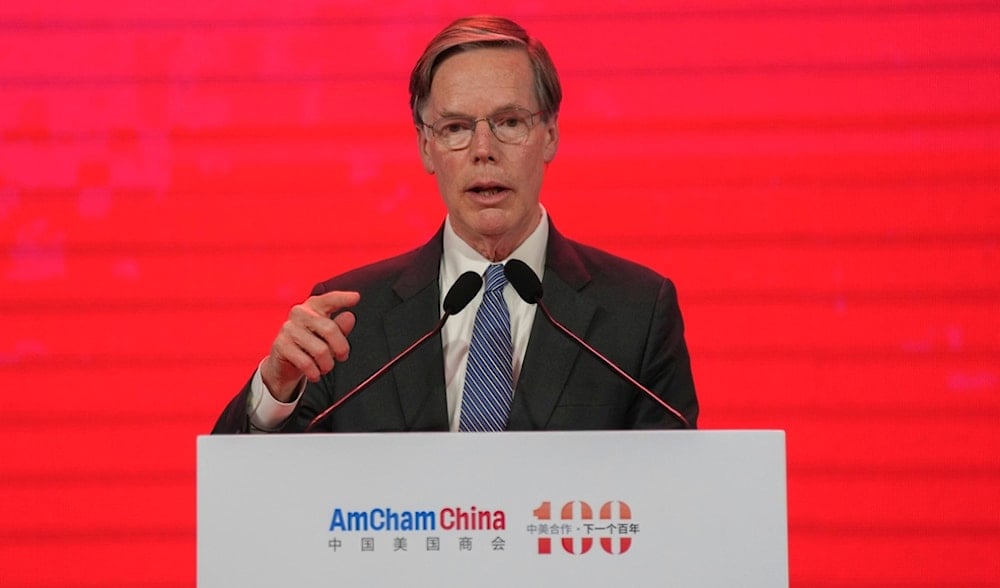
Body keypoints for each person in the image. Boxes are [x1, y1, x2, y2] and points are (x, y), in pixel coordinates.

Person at [212, 15, 698, 434]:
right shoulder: (349, 322)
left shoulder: (636, 311)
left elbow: (677, 494)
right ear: (426, 147)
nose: (483, 150)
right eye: (456, 128)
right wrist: (275, 388)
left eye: (509, 122)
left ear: (549, 136)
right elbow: (260, 496)